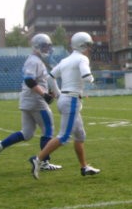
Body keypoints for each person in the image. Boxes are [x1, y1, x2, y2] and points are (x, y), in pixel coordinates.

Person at [28, 32, 100, 179]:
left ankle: (84, 167)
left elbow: (50, 77)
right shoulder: (82, 58)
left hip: (66, 99)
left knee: (80, 135)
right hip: (71, 100)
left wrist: (58, 93)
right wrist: (92, 79)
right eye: (89, 45)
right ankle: (38, 159)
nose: (90, 48)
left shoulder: (66, 60)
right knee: (64, 137)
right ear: (83, 45)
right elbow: (87, 77)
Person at [0, 33, 62, 171]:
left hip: (28, 100)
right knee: (48, 129)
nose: (47, 49)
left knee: (27, 133)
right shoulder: (34, 60)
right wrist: (44, 94)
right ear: (38, 46)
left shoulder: (37, 60)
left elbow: (38, 81)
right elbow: (29, 80)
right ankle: (43, 162)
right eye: (45, 46)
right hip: (36, 101)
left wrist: (48, 92)